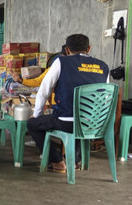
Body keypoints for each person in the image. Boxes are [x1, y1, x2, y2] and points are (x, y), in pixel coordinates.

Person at [27, 34, 109, 173]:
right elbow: (106, 96)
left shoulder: (61, 62)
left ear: (67, 49)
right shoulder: (103, 66)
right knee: (80, 117)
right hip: (94, 123)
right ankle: (75, 162)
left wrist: (37, 114)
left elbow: (44, 90)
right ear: (88, 48)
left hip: (67, 122)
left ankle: (57, 161)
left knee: (33, 124)